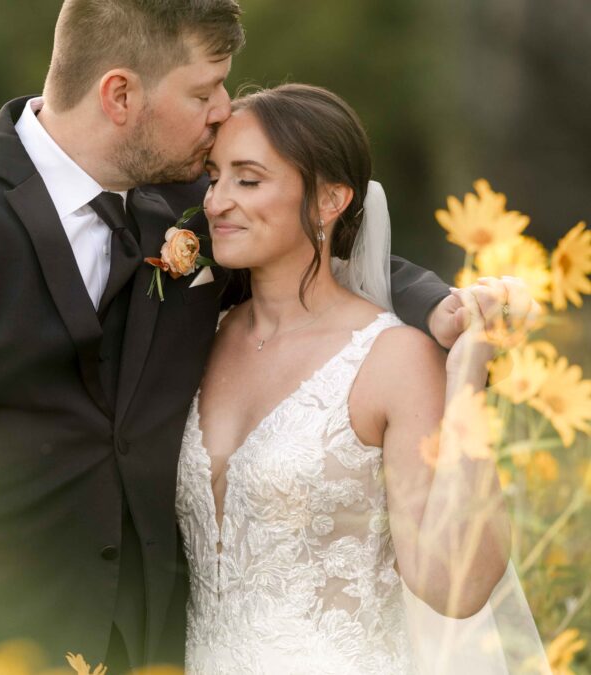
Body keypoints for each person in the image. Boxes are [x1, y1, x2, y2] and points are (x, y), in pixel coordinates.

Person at [0, 2, 494, 672]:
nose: (224, 112)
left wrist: (438, 306)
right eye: (203, 92)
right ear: (120, 95)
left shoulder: (198, 208)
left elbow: (319, 250)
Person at [176, 83, 544, 673]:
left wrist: (468, 375)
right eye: (214, 177)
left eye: (247, 179)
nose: (217, 201)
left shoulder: (393, 359)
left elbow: (455, 584)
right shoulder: (195, 339)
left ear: (330, 200)